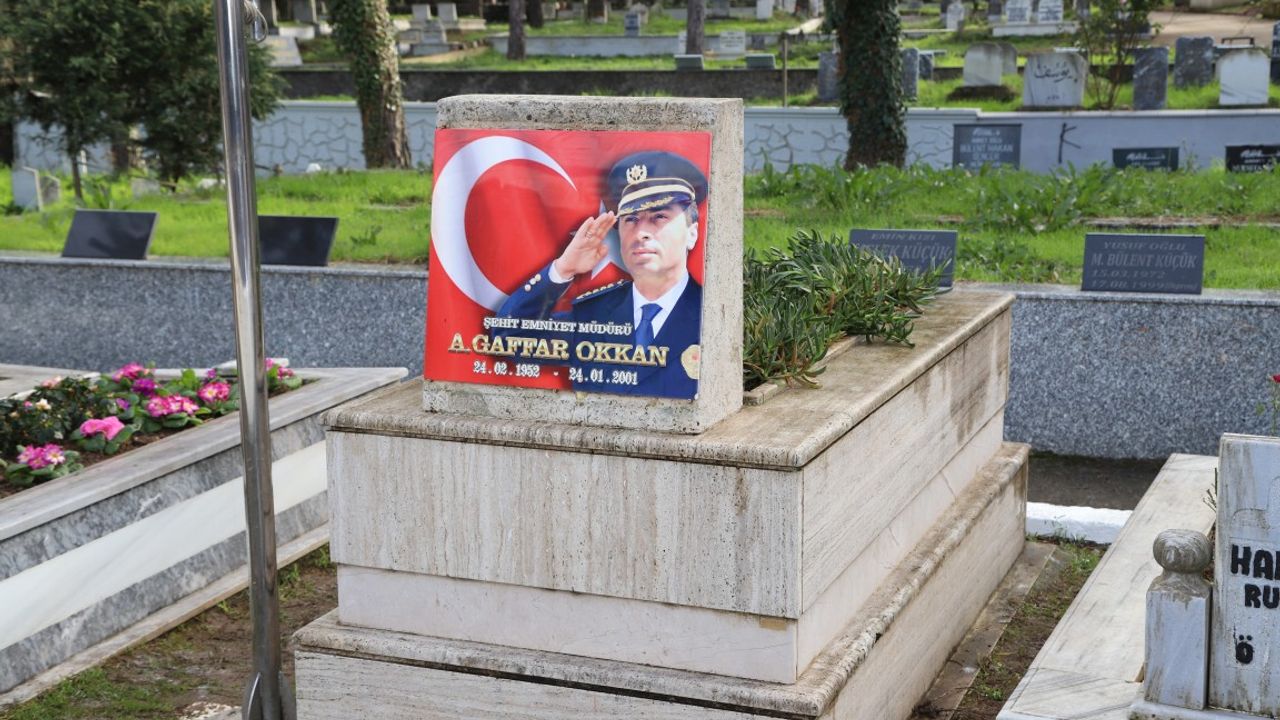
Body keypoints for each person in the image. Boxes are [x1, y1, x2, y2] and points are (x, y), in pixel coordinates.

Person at [493, 150, 708, 399]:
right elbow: (508, 339)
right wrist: (563, 270)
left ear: (692, 233)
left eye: (659, 216)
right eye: (631, 219)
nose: (641, 233)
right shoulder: (594, 313)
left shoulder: (709, 312)